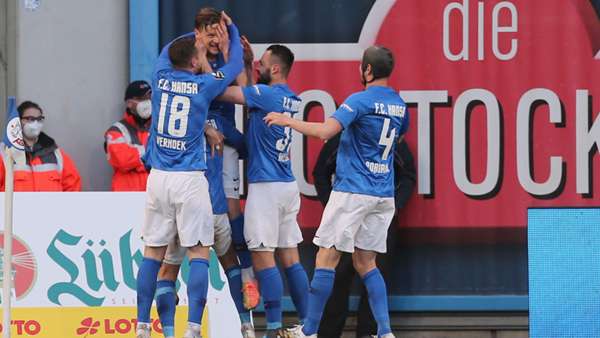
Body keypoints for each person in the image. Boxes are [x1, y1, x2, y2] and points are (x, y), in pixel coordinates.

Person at [265, 45, 409, 338]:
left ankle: (308, 331)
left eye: (361, 66)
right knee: (366, 262)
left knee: (325, 259)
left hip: (353, 190)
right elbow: (400, 135)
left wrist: (287, 120)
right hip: (382, 194)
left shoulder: (359, 100)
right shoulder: (399, 104)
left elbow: (324, 132)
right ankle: (385, 333)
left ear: (367, 70)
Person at [135, 12, 243, 338]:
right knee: (198, 252)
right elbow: (235, 64)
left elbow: (171, 50)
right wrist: (231, 31)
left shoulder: (159, 75)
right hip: (189, 179)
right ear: (195, 62)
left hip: (158, 179)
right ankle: (194, 328)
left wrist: (193, 35)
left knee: (153, 252)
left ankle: (141, 326)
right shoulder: (203, 86)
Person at [218, 44, 310, 337]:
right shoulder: (289, 97)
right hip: (286, 185)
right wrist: (246, 62)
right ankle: (309, 326)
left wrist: (213, 69)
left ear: (275, 69)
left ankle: (272, 329)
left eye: (262, 62)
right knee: (290, 257)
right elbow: (251, 93)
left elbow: (224, 92)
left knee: (262, 255)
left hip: (266, 188)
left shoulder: (267, 95)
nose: (258, 65)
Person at [155, 112, 256, 338]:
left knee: (167, 271)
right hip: (216, 206)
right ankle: (246, 326)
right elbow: (243, 145)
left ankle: (172, 333)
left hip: (182, 207)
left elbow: (149, 161)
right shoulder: (217, 120)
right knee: (230, 263)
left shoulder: (168, 121)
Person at [314, 135, 416, 338]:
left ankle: (373, 333)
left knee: (373, 274)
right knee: (336, 279)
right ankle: (326, 334)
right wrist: (331, 206)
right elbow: (320, 172)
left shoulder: (391, 137)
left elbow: (408, 175)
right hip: (346, 215)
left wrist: (395, 206)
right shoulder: (344, 135)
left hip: (379, 218)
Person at [194, 7, 259, 309]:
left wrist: (240, 59)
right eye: (209, 34)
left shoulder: (227, 56)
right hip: (197, 139)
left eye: (218, 33)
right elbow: (207, 90)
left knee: (232, 207)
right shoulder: (189, 59)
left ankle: (247, 275)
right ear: (198, 34)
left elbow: (245, 92)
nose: (214, 39)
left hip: (225, 140)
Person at [0, 100, 81, 191]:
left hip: (52, 205)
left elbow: (73, 187)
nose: (35, 123)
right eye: (30, 119)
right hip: (18, 206)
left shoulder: (56, 154)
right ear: (18, 121)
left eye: (39, 119)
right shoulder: (5, 153)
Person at [104, 80, 151, 191]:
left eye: (149, 98)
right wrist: (151, 155)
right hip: (126, 196)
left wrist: (137, 157)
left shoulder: (159, 128)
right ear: (129, 103)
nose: (147, 102)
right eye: (141, 99)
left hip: (154, 195)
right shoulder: (116, 131)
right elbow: (123, 161)